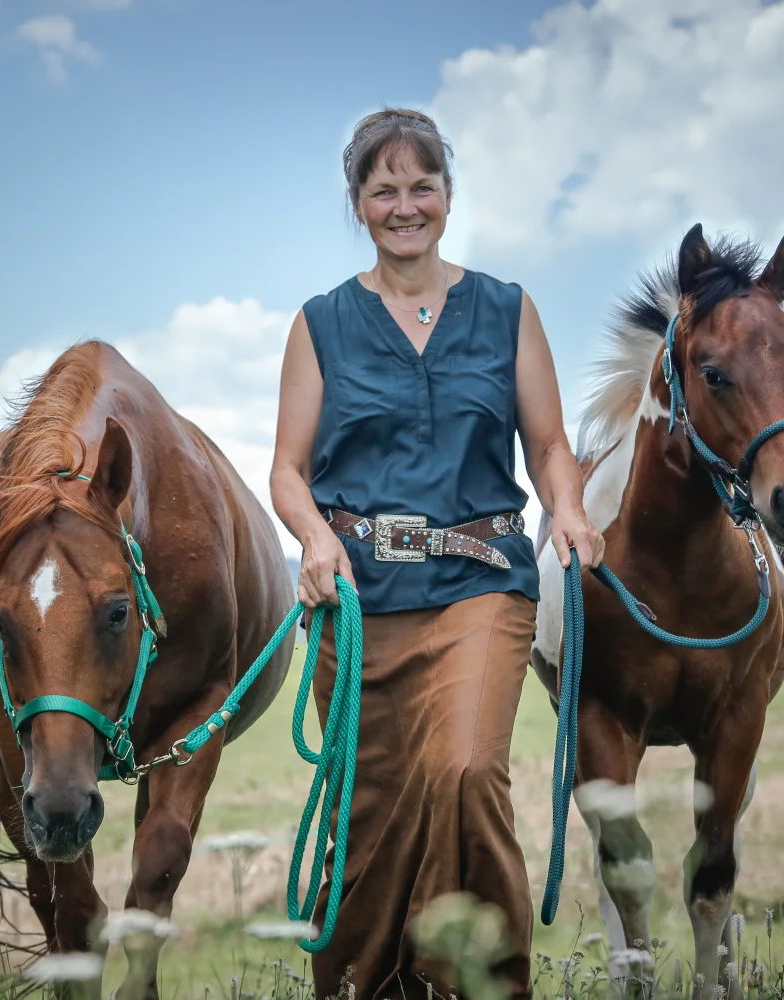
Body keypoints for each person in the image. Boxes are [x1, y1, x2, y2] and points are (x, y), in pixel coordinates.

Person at [269, 107, 605, 999]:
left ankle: (483, 984)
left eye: (423, 186)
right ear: (360, 204)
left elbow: (549, 446)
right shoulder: (321, 324)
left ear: (448, 196)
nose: (405, 205)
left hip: (479, 586)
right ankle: (367, 989)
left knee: (462, 770)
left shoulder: (506, 309)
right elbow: (287, 471)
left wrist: (567, 509)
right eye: (385, 190)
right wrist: (310, 538)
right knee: (366, 820)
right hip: (359, 603)